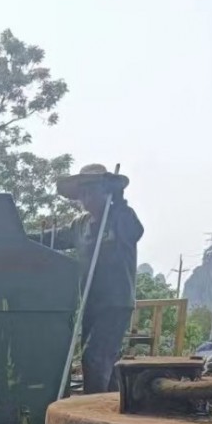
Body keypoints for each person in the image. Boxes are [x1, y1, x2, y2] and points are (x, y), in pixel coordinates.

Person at [50, 164, 144, 394]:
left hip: (115, 302)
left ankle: (92, 408)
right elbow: (53, 239)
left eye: (91, 191)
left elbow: (136, 231)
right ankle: (113, 403)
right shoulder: (80, 225)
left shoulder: (121, 217)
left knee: (94, 357)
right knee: (104, 361)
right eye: (82, 193)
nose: (86, 198)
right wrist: (16, 237)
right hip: (90, 301)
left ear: (105, 192)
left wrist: (119, 199)